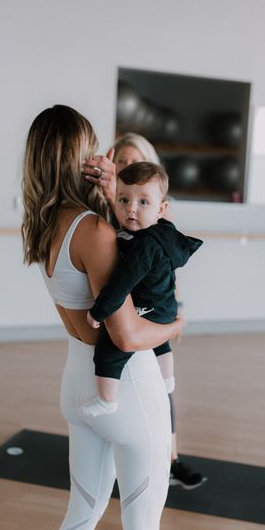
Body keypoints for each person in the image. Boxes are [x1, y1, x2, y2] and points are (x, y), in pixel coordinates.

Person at [22, 106, 181, 530]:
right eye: (92, 146)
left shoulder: (44, 226)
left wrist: (113, 192)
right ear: (76, 156)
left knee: (81, 514)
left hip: (77, 387)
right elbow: (129, 333)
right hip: (126, 390)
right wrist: (175, 327)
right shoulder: (93, 229)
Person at [83, 133, 208, 490]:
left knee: (163, 389)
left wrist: (174, 315)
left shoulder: (150, 216)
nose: (124, 167)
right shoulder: (113, 211)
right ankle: (128, 463)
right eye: (120, 162)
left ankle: (170, 458)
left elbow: (163, 270)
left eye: (132, 161)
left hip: (150, 311)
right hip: (129, 312)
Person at [81, 161, 202, 417]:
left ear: (162, 208)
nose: (131, 209)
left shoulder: (145, 246)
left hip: (148, 309)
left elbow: (121, 283)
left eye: (143, 202)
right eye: (123, 200)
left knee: (110, 346)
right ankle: (167, 378)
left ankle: (107, 399)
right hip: (165, 308)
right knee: (160, 344)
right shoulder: (159, 234)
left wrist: (99, 312)